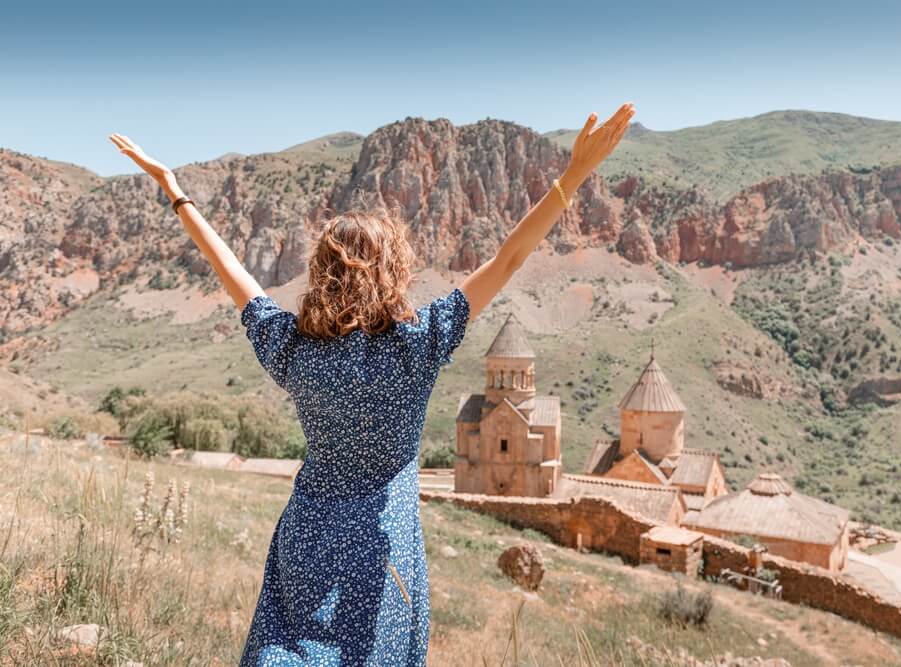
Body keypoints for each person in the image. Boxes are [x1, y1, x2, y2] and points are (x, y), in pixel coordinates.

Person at [108, 101, 635, 666]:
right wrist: (574, 174)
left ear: (321, 274)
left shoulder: (293, 350)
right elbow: (507, 261)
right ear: (393, 271)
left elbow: (232, 271)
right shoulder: (417, 347)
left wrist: (175, 190)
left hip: (305, 537)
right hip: (382, 548)